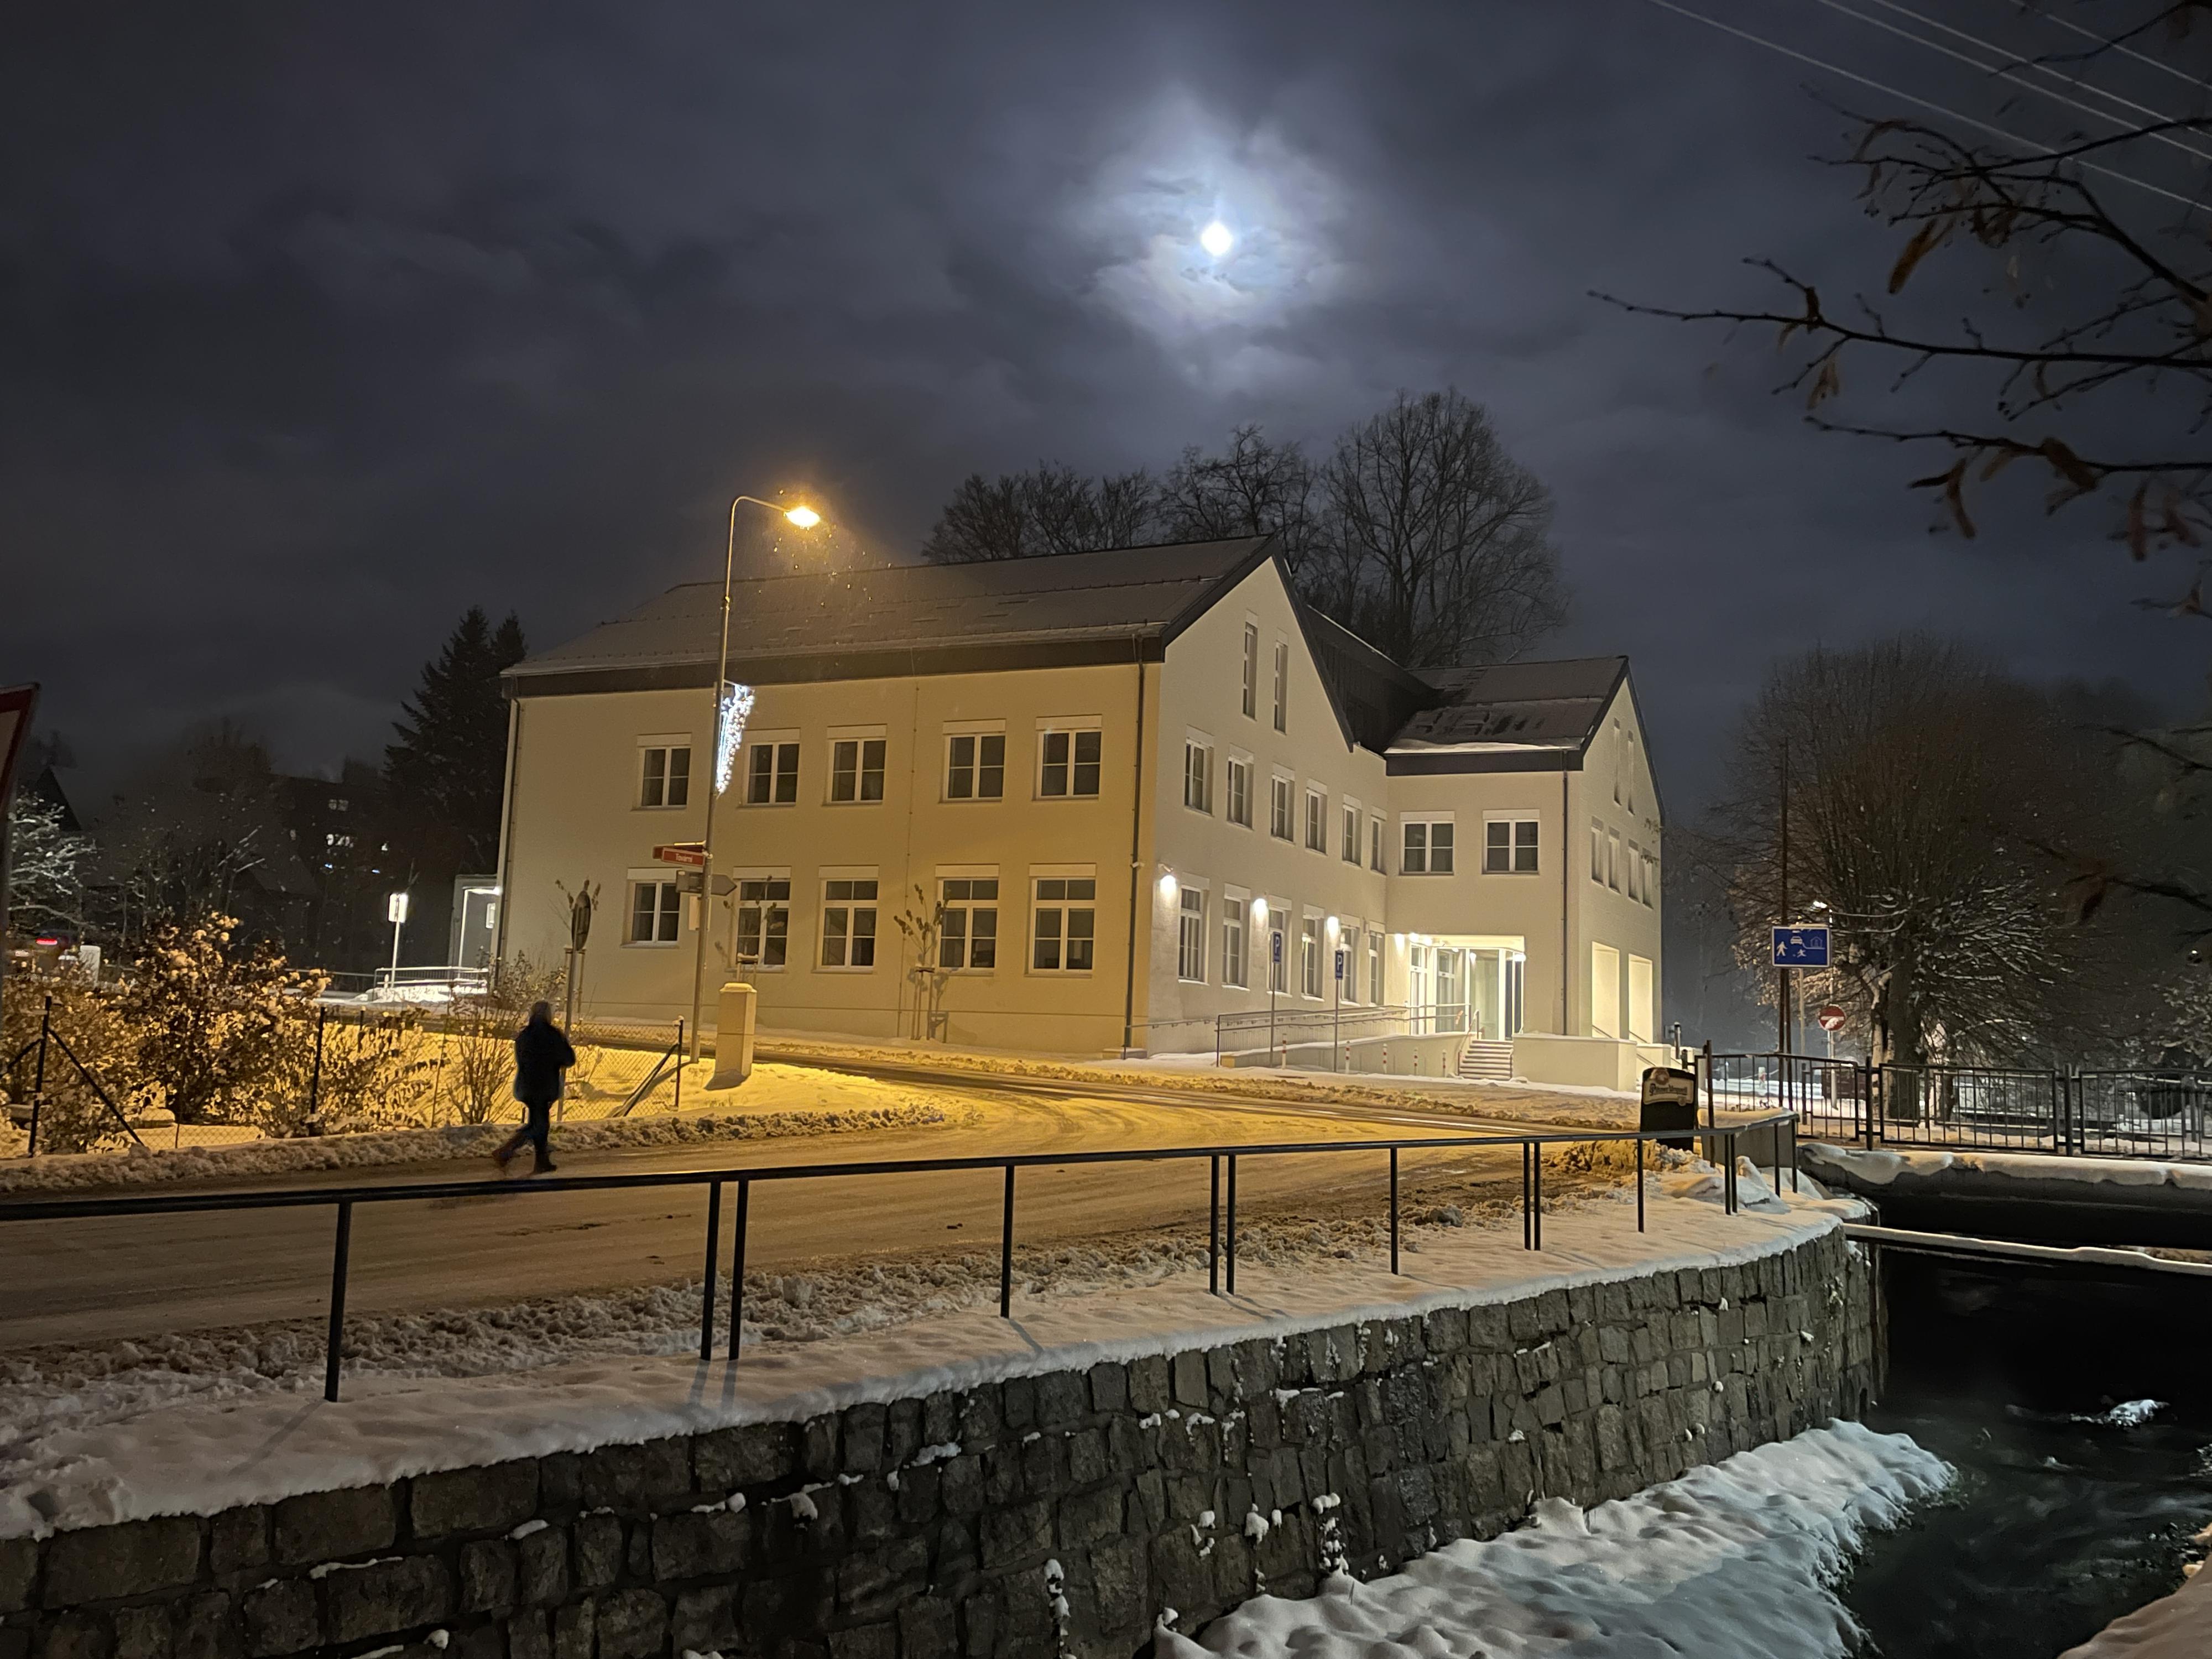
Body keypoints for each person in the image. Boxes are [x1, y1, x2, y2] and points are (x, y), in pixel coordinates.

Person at [495, 1001, 576, 1174]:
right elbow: (569, 1059)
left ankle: (542, 1161)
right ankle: (507, 1151)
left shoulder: (524, 1035)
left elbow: (521, 1058)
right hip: (545, 1086)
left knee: (539, 1123)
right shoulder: (553, 1035)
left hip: (526, 1086)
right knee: (539, 1125)